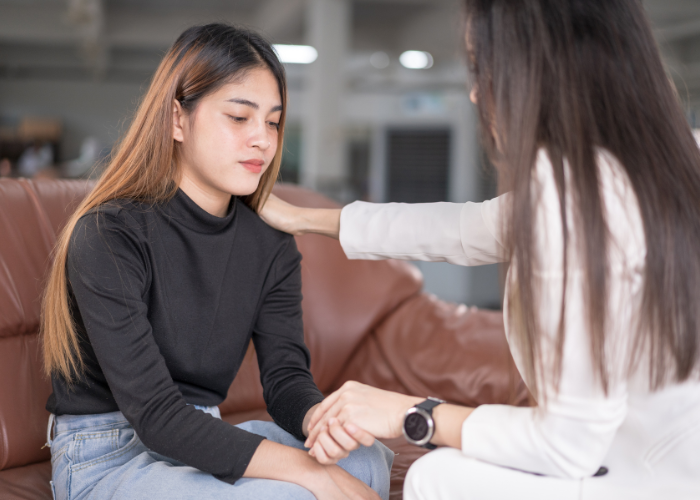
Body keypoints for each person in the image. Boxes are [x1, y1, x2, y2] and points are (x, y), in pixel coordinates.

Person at [259, 1, 700, 498]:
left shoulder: (573, 195)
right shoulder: (663, 159)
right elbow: (464, 228)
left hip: (646, 475)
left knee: (434, 478)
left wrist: (410, 413)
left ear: (534, 65)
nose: (473, 91)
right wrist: (298, 217)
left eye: (480, 66)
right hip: (665, 459)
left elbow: (568, 445)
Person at [41, 24, 391, 500]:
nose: (262, 141)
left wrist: (319, 422)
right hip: (108, 454)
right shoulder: (109, 233)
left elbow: (286, 379)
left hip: (205, 435)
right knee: (301, 491)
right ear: (177, 120)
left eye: (272, 121)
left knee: (365, 461)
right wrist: (310, 472)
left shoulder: (271, 243)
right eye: (239, 117)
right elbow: (158, 418)